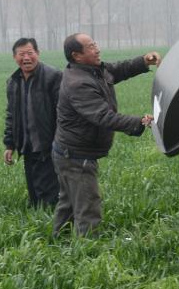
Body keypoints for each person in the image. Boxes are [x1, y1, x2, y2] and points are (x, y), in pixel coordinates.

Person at [52, 33, 160, 236]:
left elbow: (117, 70)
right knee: (87, 205)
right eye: (91, 46)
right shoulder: (79, 83)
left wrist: (143, 61)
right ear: (77, 55)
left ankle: (59, 242)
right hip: (76, 156)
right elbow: (103, 117)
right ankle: (88, 252)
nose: (97, 48)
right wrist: (139, 122)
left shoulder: (91, 70)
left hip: (68, 151)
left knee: (68, 203)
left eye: (95, 44)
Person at [4, 38, 62, 207]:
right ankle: (42, 222)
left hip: (49, 145)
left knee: (49, 194)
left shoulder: (53, 76)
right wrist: (9, 144)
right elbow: (11, 115)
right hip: (27, 146)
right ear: (15, 57)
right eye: (21, 54)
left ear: (38, 53)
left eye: (30, 53)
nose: (26, 58)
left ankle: (56, 227)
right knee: (35, 195)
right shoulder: (13, 81)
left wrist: (60, 142)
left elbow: (63, 113)